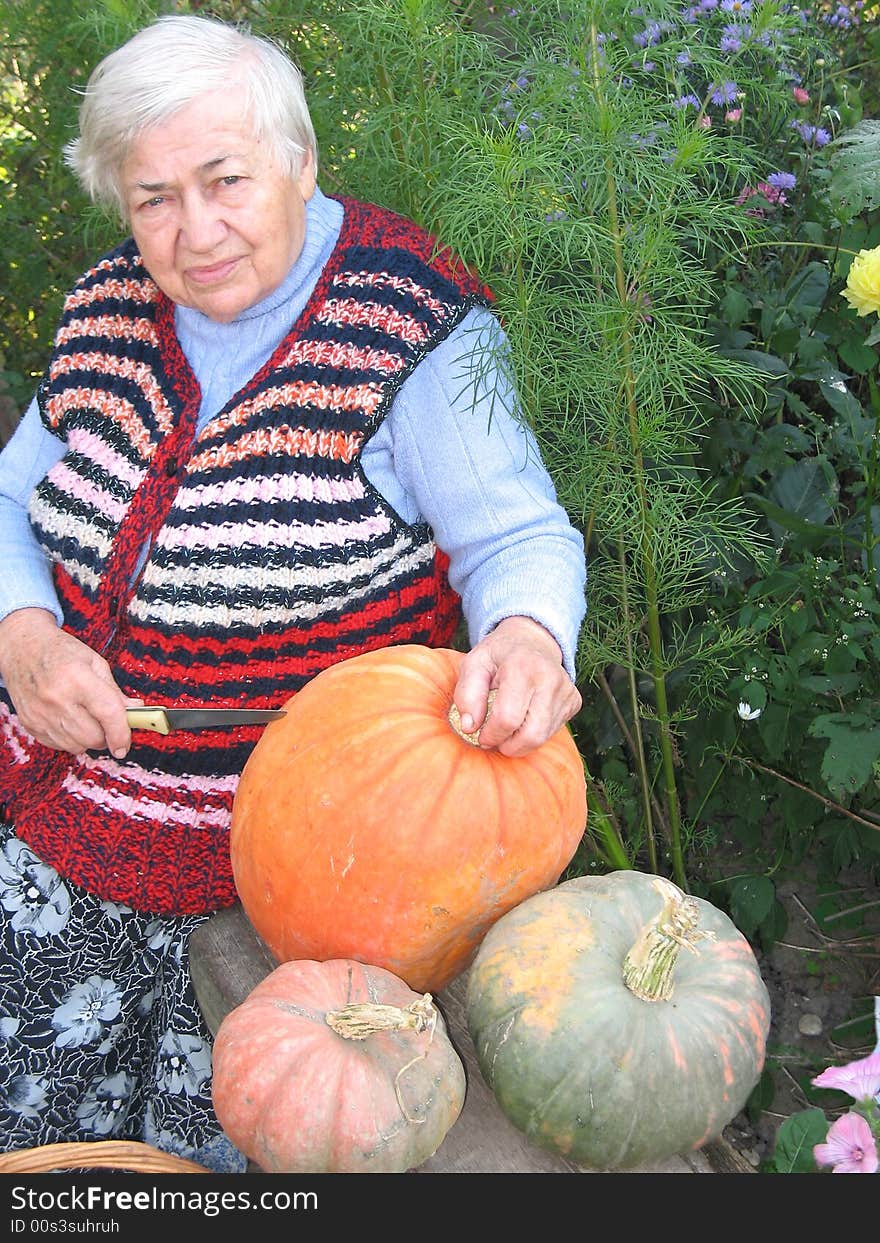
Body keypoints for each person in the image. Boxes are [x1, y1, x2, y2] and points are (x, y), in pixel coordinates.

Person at [0, 14, 586, 1170]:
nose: (194, 231)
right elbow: (12, 498)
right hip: (53, 813)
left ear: (303, 161)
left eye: (227, 180)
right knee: (35, 1147)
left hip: (288, 868)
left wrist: (525, 636)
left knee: (206, 1161)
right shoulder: (108, 303)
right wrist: (24, 634)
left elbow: (517, 532)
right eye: (153, 197)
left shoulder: (410, 326)